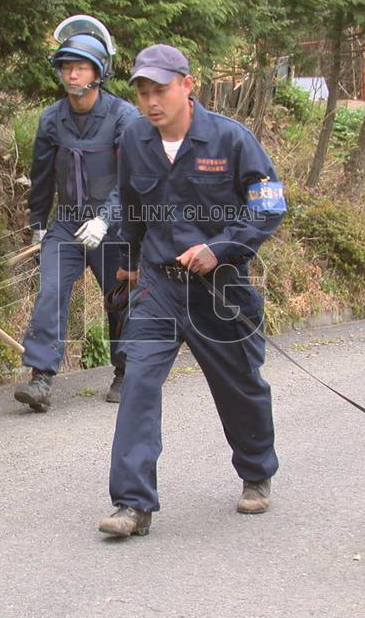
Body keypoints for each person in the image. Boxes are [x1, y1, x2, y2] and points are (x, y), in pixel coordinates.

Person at [98, 44, 288, 537]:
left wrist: (221, 249)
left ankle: (256, 472)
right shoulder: (136, 139)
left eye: (159, 89)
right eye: (142, 92)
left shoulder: (231, 139)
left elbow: (268, 207)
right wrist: (131, 264)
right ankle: (133, 504)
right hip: (159, 284)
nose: (150, 101)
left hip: (219, 288)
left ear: (187, 85)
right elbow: (133, 208)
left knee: (240, 385)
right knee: (137, 382)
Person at [15, 15, 140, 411]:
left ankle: (126, 370)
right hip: (67, 223)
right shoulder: (52, 119)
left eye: (80, 66)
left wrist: (105, 218)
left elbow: (132, 178)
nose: (72, 73)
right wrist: (38, 224)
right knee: (51, 289)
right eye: (67, 66)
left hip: (115, 227)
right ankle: (40, 377)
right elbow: (41, 175)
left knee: (120, 297)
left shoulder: (124, 117)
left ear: (99, 72)